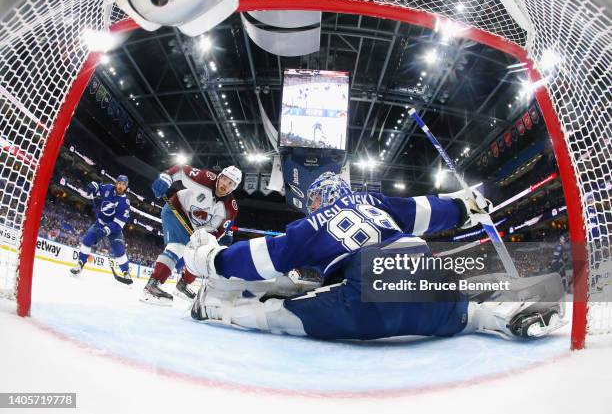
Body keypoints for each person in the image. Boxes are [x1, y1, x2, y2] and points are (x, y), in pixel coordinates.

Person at [183, 172, 565, 341]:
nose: (312, 206)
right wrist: (465, 206)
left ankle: (217, 311)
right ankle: (503, 317)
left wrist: (211, 258)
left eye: (315, 199)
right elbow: (428, 211)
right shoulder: (376, 201)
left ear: (324, 197)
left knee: (284, 311)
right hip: (424, 267)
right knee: (463, 312)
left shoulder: (311, 225)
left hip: (368, 291)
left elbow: (265, 256)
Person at [141, 165, 240, 305]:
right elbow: (181, 170)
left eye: (231, 183)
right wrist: (166, 178)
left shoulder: (230, 208)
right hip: (176, 209)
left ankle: (183, 285)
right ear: (220, 176)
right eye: (224, 179)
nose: (225, 184)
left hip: (196, 228)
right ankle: (152, 286)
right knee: (177, 246)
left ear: (234, 187)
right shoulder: (205, 178)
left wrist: (201, 238)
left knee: (201, 253)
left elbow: (216, 231)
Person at [70, 175, 133, 283]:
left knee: (119, 249)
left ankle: (126, 273)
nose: (120, 186)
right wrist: (93, 186)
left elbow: (118, 223)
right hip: (100, 223)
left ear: (126, 187)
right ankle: (80, 264)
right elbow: (98, 188)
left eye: (123, 184)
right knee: (87, 240)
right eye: (119, 183)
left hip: (114, 229)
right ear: (116, 183)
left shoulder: (125, 203)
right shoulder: (108, 188)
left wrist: (106, 230)